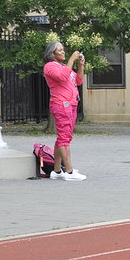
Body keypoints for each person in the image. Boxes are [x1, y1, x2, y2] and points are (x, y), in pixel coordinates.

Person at [42, 41, 86, 181]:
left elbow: (78, 81)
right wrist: (72, 60)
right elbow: (61, 77)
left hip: (71, 104)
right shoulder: (50, 66)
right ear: (52, 53)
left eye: (63, 50)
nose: (63, 52)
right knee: (64, 138)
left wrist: (80, 65)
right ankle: (70, 172)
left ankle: (56, 171)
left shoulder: (63, 67)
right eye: (59, 50)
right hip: (61, 105)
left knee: (63, 137)